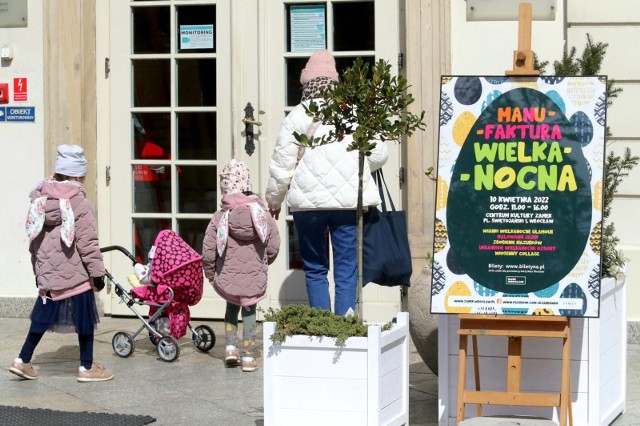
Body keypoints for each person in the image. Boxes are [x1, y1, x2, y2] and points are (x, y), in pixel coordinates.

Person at [265, 50, 389, 316]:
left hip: (307, 206)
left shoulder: (296, 116)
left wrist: (274, 201)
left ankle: (322, 330)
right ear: (336, 84)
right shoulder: (353, 113)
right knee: (346, 268)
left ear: (307, 84)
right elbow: (379, 155)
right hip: (346, 204)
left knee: (315, 267)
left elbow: (282, 164)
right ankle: (344, 329)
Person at [10, 144, 113, 382]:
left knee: (42, 314)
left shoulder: (39, 200)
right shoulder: (78, 201)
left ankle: (23, 359)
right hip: (76, 272)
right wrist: (98, 274)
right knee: (85, 315)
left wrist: (39, 270)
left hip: (49, 273)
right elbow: (88, 242)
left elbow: (33, 240)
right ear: (77, 175)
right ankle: (86, 367)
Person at [202, 159, 280, 372]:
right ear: (247, 185)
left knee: (231, 308)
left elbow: (208, 249)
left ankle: (229, 348)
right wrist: (265, 262)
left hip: (228, 275)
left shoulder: (220, 217)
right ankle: (247, 356)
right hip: (254, 275)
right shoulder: (262, 215)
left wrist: (210, 273)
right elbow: (273, 244)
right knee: (249, 311)